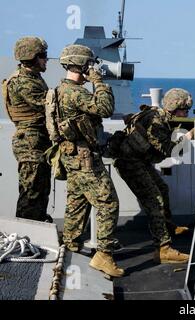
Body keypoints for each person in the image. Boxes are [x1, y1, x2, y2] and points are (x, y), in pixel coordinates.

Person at [108, 88, 195, 264]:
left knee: (162, 189)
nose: (186, 113)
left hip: (139, 161)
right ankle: (163, 249)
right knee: (154, 201)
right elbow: (170, 150)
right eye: (184, 110)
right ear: (173, 108)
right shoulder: (154, 121)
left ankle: (166, 226)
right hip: (130, 163)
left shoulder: (160, 116)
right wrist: (189, 136)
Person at [56, 44, 123, 277]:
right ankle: (103, 255)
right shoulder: (75, 92)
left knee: (77, 203)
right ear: (81, 65)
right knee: (108, 203)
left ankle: (70, 247)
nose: (91, 68)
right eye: (89, 65)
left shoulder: (59, 90)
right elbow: (105, 108)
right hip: (85, 159)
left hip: (71, 156)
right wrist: (99, 81)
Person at [1, 37, 52, 222]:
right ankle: (25, 234)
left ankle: (37, 228)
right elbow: (49, 105)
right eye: (43, 55)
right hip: (30, 143)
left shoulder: (33, 77)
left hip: (38, 140)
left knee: (41, 190)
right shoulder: (23, 82)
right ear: (32, 57)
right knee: (31, 193)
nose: (46, 59)